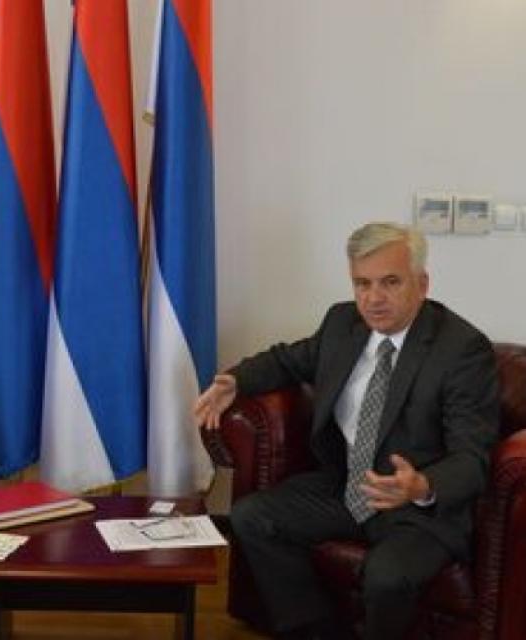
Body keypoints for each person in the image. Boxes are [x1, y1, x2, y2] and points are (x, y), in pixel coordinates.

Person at [194, 222, 499, 640]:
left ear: (422, 283)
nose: (374, 298)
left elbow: (472, 458)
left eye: (390, 282)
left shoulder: (462, 350)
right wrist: (236, 380)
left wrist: (421, 485)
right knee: (253, 516)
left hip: (418, 511)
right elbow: (288, 360)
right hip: (347, 486)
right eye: (362, 283)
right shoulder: (343, 323)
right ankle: (312, 630)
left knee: (387, 576)